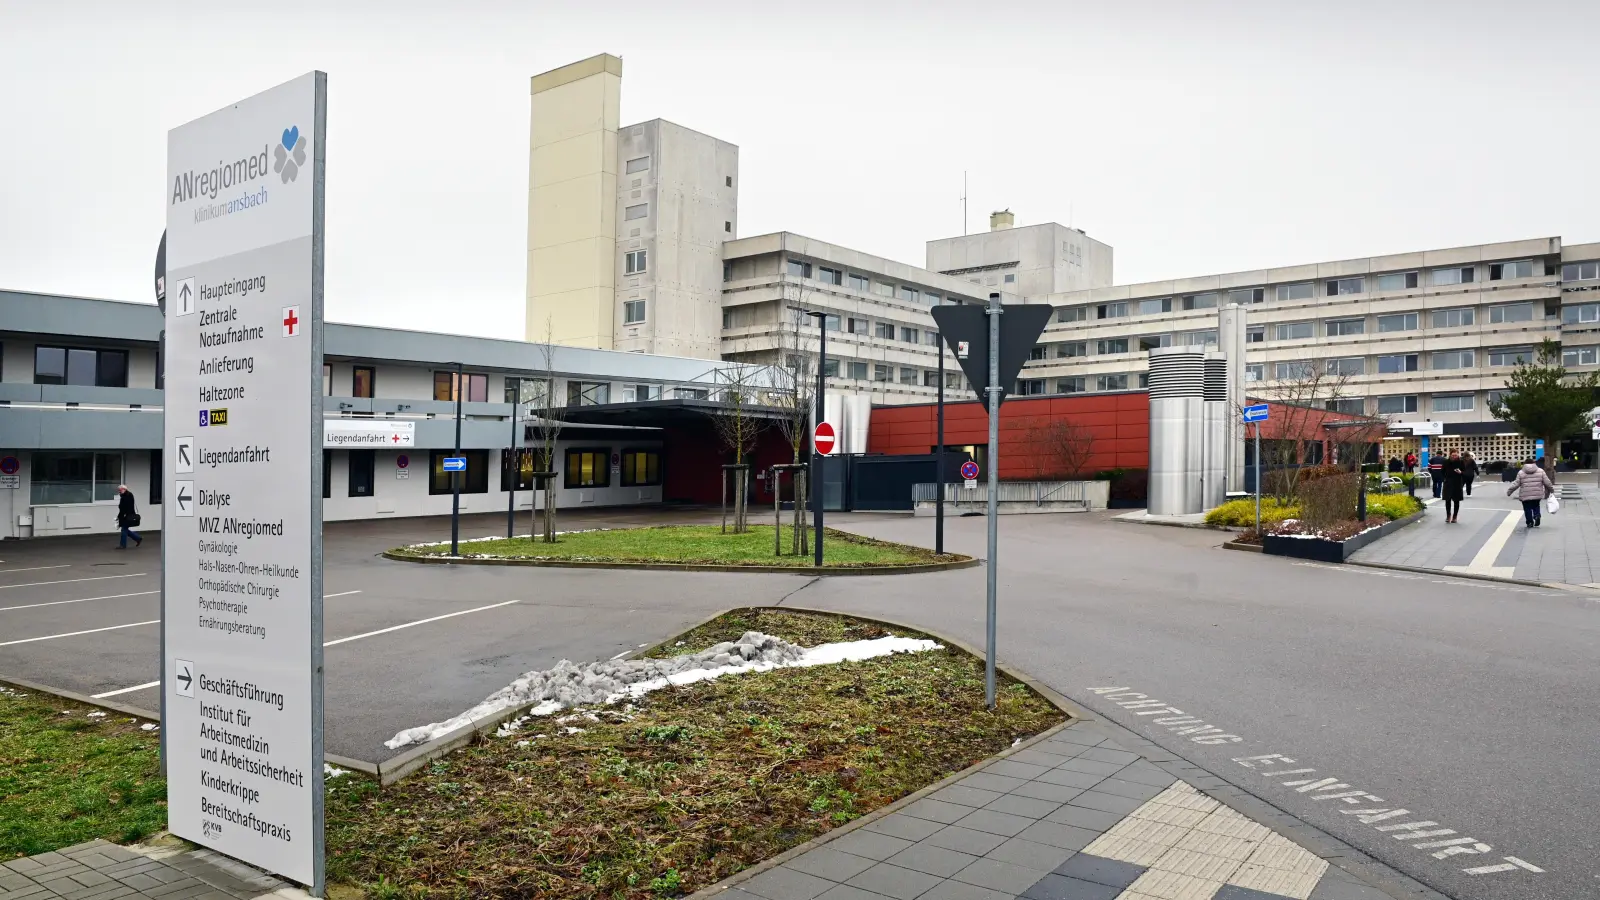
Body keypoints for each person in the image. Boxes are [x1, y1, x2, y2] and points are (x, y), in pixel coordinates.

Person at [1508, 458, 1554, 528]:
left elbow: (1516, 484)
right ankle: (1537, 516)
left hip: (1525, 494)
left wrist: (1509, 491)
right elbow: (1547, 481)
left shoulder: (1521, 472)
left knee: (1527, 508)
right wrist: (1551, 489)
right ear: (1534, 463)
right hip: (1537, 493)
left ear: (1525, 464)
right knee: (1536, 505)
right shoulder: (1540, 471)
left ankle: (1529, 522)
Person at [1441, 451, 1465, 523]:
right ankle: (1448, 515)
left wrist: (1460, 472)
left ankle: (1455, 516)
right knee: (1447, 500)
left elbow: (1464, 471)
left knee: (1456, 501)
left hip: (1457, 483)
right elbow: (1442, 471)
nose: (1454, 456)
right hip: (1448, 483)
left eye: (1455, 455)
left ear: (1458, 455)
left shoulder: (1461, 462)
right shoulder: (1446, 462)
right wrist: (1445, 478)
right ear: (1450, 455)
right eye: (1453, 455)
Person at [115, 485, 142, 549]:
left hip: (127, 515)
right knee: (125, 529)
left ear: (124, 489)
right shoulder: (126, 495)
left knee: (124, 529)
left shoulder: (127, 496)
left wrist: (120, 515)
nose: (119, 491)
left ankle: (123, 545)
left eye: (120, 490)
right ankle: (138, 538)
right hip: (126, 515)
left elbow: (124, 507)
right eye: (119, 490)